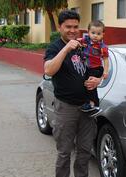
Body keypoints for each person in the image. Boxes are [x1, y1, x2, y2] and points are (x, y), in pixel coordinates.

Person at [43, 10, 101, 177]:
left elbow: (99, 68)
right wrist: (67, 48)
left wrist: (98, 80)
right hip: (66, 108)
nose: (73, 30)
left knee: (84, 152)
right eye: (68, 27)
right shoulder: (55, 47)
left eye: (76, 26)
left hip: (88, 107)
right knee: (64, 152)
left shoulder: (86, 44)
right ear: (60, 27)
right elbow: (48, 70)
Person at [80, 20, 109, 114]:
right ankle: (87, 102)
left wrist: (105, 72)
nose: (95, 36)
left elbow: (105, 60)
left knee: (91, 86)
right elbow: (77, 42)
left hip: (96, 69)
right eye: (93, 33)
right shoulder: (86, 41)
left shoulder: (102, 47)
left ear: (103, 34)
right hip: (87, 68)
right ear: (88, 32)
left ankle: (94, 104)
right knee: (84, 84)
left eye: (98, 33)